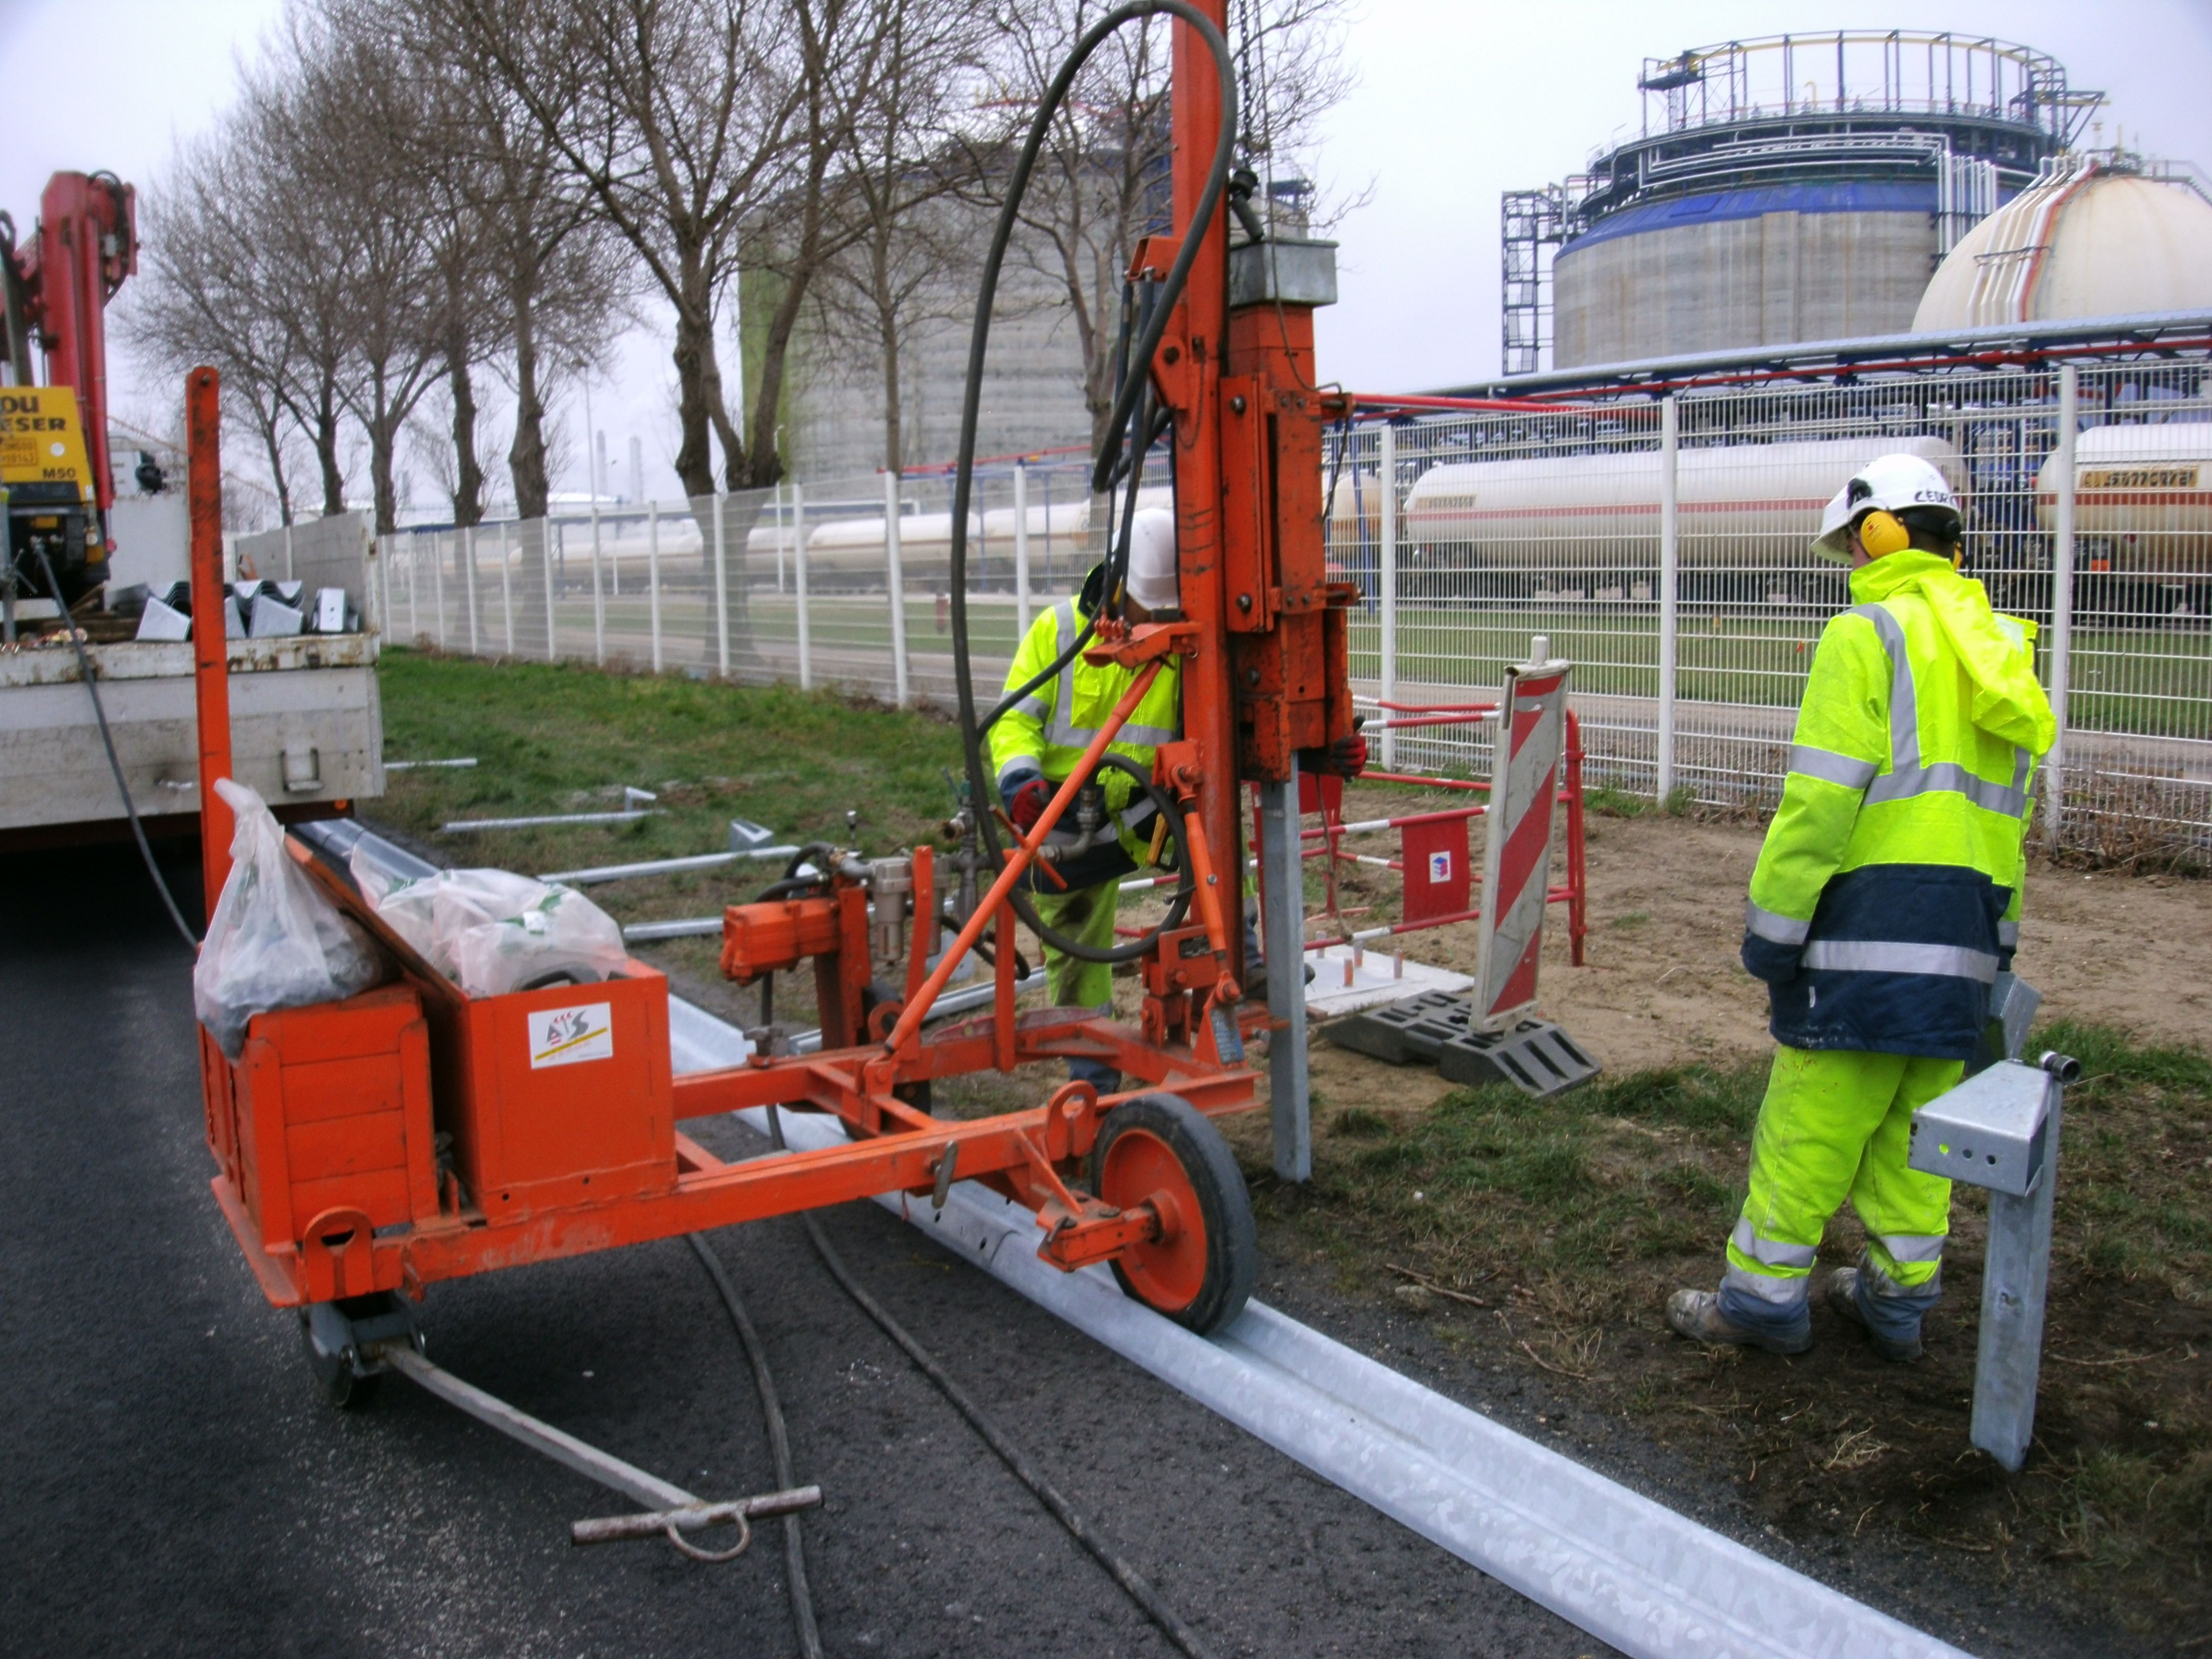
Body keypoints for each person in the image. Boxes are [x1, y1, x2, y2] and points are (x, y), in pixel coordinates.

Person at [1666, 453, 2055, 1362]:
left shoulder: (1865, 635)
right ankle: (1897, 1299)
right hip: (1963, 937)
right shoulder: (1999, 649)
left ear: (1877, 533)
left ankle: (1762, 1303)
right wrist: (1998, 947)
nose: (1848, 558)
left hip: (1866, 932)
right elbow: (2009, 825)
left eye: (1851, 540)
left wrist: (1773, 930)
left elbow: (1820, 806)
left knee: (1811, 1119)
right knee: (1919, 1133)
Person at [990, 509, 1187, 1094]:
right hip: (1061, 814)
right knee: (1073, 942)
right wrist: (1021, 782)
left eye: (1164, 611)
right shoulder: (1057, 632)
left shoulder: (1183, 635)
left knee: (1222, 852)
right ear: (1118, 583)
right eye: (1147, 608)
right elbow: (1014, 721)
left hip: (1145, 810)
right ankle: (1092, 1070)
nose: (1154, 620)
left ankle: (1240, 963)